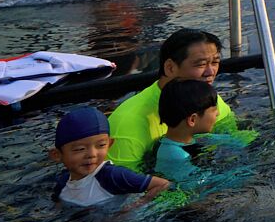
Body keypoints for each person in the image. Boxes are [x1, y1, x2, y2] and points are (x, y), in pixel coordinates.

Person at [106, 29, 250, 172]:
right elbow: (126, 186)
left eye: (215, 62)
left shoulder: (205, 98)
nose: (210, 72)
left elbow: (232, 135)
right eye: (200, 64)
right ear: (170, 67)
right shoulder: (127, 123)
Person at [50, 105, 169, 206]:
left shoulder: (113, 176)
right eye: (80, 149)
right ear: (57, 155)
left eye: (101, 145)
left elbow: (162, 184)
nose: (92, 154)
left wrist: (132, 208)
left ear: (109, 144)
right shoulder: (63, 182)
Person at [145, 77, 223, 195]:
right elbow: (195, 187)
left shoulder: (172, 142)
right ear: (192, 119)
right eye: (213, 110)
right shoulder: (175, 155)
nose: (218, 113)